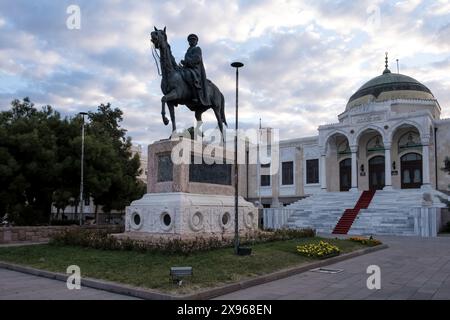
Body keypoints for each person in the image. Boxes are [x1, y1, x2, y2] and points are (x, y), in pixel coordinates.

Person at [180, 34, 211, 106]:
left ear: (196, 42)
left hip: (196, 69)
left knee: (189, 75)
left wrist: (187, 62)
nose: (192, 41)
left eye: (194, 40)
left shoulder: (197, 49)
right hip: (188, 68)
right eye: (190, 40)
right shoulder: (187, 51)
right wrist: (184, 63)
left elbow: (197, 58)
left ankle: (195, 95)